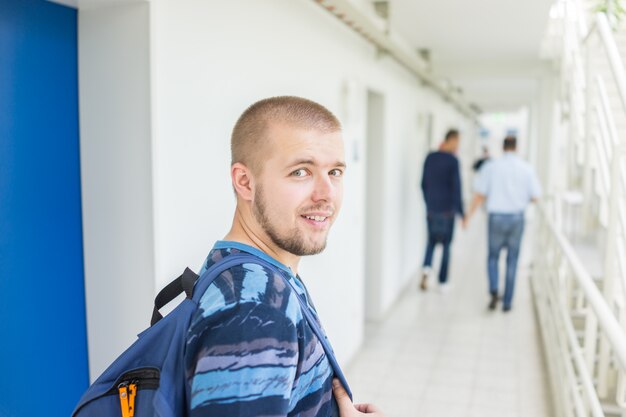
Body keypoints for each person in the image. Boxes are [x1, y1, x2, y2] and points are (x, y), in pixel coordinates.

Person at [185, 96, 387, 417]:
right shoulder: (253, 308)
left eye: (334, 172)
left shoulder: (260, 274)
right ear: (245, 181)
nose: (326, 194)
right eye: (301, 172)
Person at [465, 136, 541, 312]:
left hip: (496, 218)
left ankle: (493, 290)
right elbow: (536, 196)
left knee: (493, 257)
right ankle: (507, 302)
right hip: (516, 218)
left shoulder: (491, 167)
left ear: (502, 147)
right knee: (512, 260)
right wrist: (520, 198)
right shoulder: (526, 169)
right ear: (516, 147)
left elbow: (479, 195)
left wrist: (468, 216)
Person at [419, 129, 465, 291]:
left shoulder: (430, 157)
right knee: (446, 246)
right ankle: (443, 282)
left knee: (431, 243)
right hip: (447, 211)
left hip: (432, 210)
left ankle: (426, 270)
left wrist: (429, 203)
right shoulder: (453, 161)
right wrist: (461, 212)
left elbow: (423, 184)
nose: (458, 145)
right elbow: (457, 188)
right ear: (451, 140)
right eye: (458, 142)